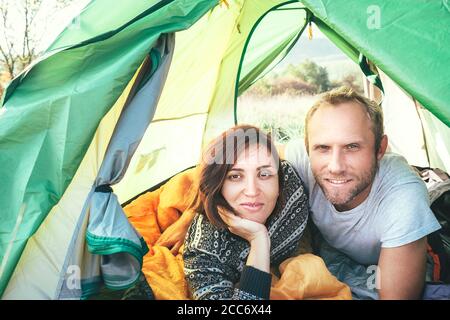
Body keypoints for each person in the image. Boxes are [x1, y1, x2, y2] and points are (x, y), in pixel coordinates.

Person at [281, 86, 441, 299]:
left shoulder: (403, 195)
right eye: (323, 148)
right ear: (308, 147)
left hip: (392, 262)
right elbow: (252, 155)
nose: (335, 166)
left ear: (380, 149)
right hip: (334, 251)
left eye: (352, 147)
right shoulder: (302, 157)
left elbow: (394, 297)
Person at [181, 125, 309, 300]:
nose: (252, 191)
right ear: (219, 186)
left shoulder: (290, 181)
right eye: (235, 176)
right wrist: (258, 240)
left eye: (264, 174)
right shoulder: (204, 251)